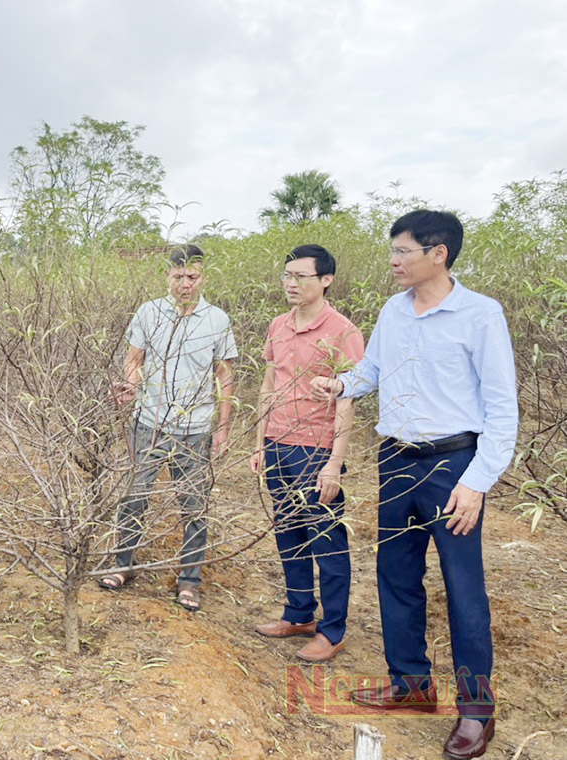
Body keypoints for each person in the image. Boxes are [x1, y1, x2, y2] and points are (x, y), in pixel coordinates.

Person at [312, 210, 517, 760]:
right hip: (396, 461)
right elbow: (372, 371)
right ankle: (411, 685)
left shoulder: (480, 315)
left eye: (403, 251)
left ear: (438, 253)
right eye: (393, 251)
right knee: (396, 575)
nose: (394, 261)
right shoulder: (393, 311)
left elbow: (502, 409)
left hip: (454, 465)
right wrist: (341, 383)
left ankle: (477, 712)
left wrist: (476, 483)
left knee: (462, 588)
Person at [104, 244, 238, 611]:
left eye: (192, 277)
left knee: (194, 505)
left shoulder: (217, 320)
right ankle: (122, 564)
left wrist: (222, 429)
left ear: (202, 277)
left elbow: (225, 379)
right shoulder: (149, 313)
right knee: (135, 496)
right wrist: (130, 387)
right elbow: (134, 361)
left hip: (195, 428)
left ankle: (189, 581)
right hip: (148, 423)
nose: (185, 284)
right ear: (167, 276)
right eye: (178, 276)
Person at [250, 245, 364, 662]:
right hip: (278, 445)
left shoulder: (343, 332)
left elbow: (348, 401)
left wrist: (334, 463)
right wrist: (260, 442)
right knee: (288, 533)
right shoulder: (278, 325)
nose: (291, 284)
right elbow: (268, 384)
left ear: (326, 280)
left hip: (316, 450)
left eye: (301, 277)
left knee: (326, 540)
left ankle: (332, 630)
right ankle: (299, 614)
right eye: (287, 276)